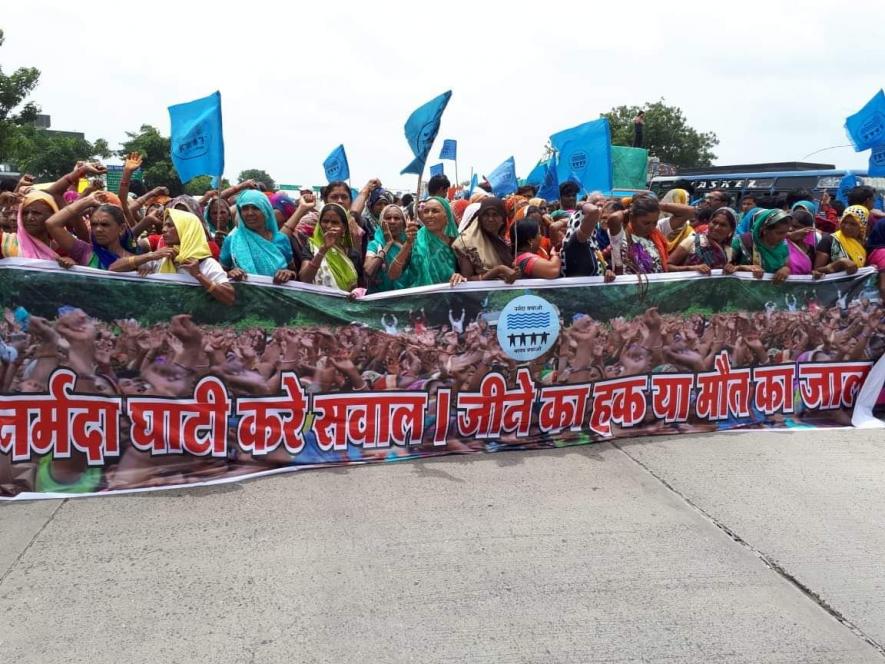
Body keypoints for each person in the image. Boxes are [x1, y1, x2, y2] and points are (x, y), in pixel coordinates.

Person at [109, 209, 235, 305]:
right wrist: (149, 256)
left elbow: (229, 298)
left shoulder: (206, 264)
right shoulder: (161, 258)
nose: (163, 229)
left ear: (187, 230)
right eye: (164, 225)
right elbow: (113, 268)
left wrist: (199, 276)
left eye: (170, 225)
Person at [221, 190, 297, 284]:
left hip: (276, 296)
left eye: (256, 208)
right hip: (243, 296)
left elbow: (293, 271)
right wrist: (230, 273)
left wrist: (288, 273)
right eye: (245, 208)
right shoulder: (232, 240)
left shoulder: (281, 239)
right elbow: (220, 273)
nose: (250, 213)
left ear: (266, 210)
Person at [45, 192, 136, 269]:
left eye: (105, 225)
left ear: (122, 228)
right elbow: (52, 224)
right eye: (94, 224)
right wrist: (87, 201)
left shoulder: (137, 260)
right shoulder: (84, 251)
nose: (98, 229)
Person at [397, 196, 465, 287]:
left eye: (435, 211)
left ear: (446, 215)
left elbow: (465, 275)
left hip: (449, 295)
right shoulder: (415, 238)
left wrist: (459, 276)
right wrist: (408, 244)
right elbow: (393, 274)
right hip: (419, 297)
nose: (429, 215)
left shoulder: (457, 242)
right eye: (426, 211)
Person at [296, 203, 360, 291]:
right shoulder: (311, 247)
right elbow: (304, 279)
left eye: (335, 222)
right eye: (325, 221)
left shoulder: (353, 254)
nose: (329, 226)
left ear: (344, 228)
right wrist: (323, 250)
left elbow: (355, 287)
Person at [452, 197, 518, 282]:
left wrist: (514, 272)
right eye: (486, 215)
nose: (490, 219)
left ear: (503, 219)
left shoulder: (503, 241)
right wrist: (497, 270)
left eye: (495, 215)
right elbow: (466, 280)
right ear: (480, 218)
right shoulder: (466, 243)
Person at [606, 195, 670, 274]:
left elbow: (688, 212)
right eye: (646, 223)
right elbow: (614, 218)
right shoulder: (621, 234)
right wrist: (630, 210)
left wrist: (656, 205)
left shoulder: (655, 235)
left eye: (655, 222)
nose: (651, 227)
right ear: (632, 218)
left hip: (656, 284)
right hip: (630, 284)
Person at [364, 204, 420, 292]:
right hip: (378, 299)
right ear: (381, 222)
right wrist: (387, 245)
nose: (392, 221)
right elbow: (368, 271)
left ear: (404, 223)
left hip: (403, 297)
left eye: (397, 218)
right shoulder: (375, 245)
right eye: (388, 218)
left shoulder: (411, 244)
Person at [731, 208, 795, 282]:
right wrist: (742, 268)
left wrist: (785, 269)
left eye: (786, 232)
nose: (784, 237)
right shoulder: (742, 242)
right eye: (779, 233)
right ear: (764, 230)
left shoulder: (783, 246)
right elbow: (725, 266)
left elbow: (786, 265)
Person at [668, 207, 736, 273]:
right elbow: (667, 266)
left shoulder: (728, 251)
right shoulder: (692, 241)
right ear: (709, 223)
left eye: (723, 225)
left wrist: (730, 269)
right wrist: (690, 268)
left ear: (731, 230)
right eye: (714, 222)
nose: (716, 227)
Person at [561, 203, 615, 280]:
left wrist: (607, 272)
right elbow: (594, 211)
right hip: (577, 290)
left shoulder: (592, 242)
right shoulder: (576, 240)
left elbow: (598, 267)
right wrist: (582, 203)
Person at [813, 205, 869, 277]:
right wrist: (839, 263)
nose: (847, 227)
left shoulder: (863, 243)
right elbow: (816, 271)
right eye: (844, 222)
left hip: (856, 286)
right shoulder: (829, 240)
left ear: (862, 226)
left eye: (853, 224)